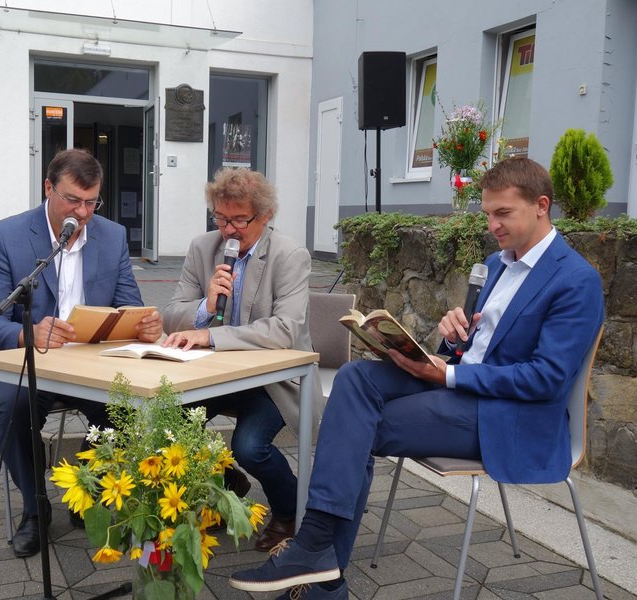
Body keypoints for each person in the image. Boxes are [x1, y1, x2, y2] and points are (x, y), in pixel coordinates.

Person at [229, 157, 605, 599]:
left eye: (503, 213)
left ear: (541, 205)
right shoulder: (497, 263)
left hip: (507, 415)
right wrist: (452, 335)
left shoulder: (575, 280)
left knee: (355, 428)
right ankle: (317, 558)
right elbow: (475, 347)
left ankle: (318, 560)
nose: (492, 226)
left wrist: (450, 375)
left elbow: (547, 379)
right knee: (356, 377)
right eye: (487, 214)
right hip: (463, 382)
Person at [0, 148, 163, 558]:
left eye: (92, 202)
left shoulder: (112, 236)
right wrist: (28, 333)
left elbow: (129, 305)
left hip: (92, 363)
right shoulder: (6, 235)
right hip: (31, 360)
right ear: (48, 188)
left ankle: (85, 486)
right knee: (12, 408)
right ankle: (35, 507)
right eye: (73, 200)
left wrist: (144, 325)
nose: (83, 212)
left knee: (130, 407)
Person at [162, 167, 324, 552]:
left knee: (249, 446)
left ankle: (290, 509)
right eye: (221, 218)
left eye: (239, 220)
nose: (229, 231)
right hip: (215, 375)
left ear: (265, 216)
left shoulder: (288, 255)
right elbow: (170, 315)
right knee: (168, 423)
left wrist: (211, 335)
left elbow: (284, 330)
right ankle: (226, 483)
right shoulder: (203, 248)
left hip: (273, 380)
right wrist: (205, 307)